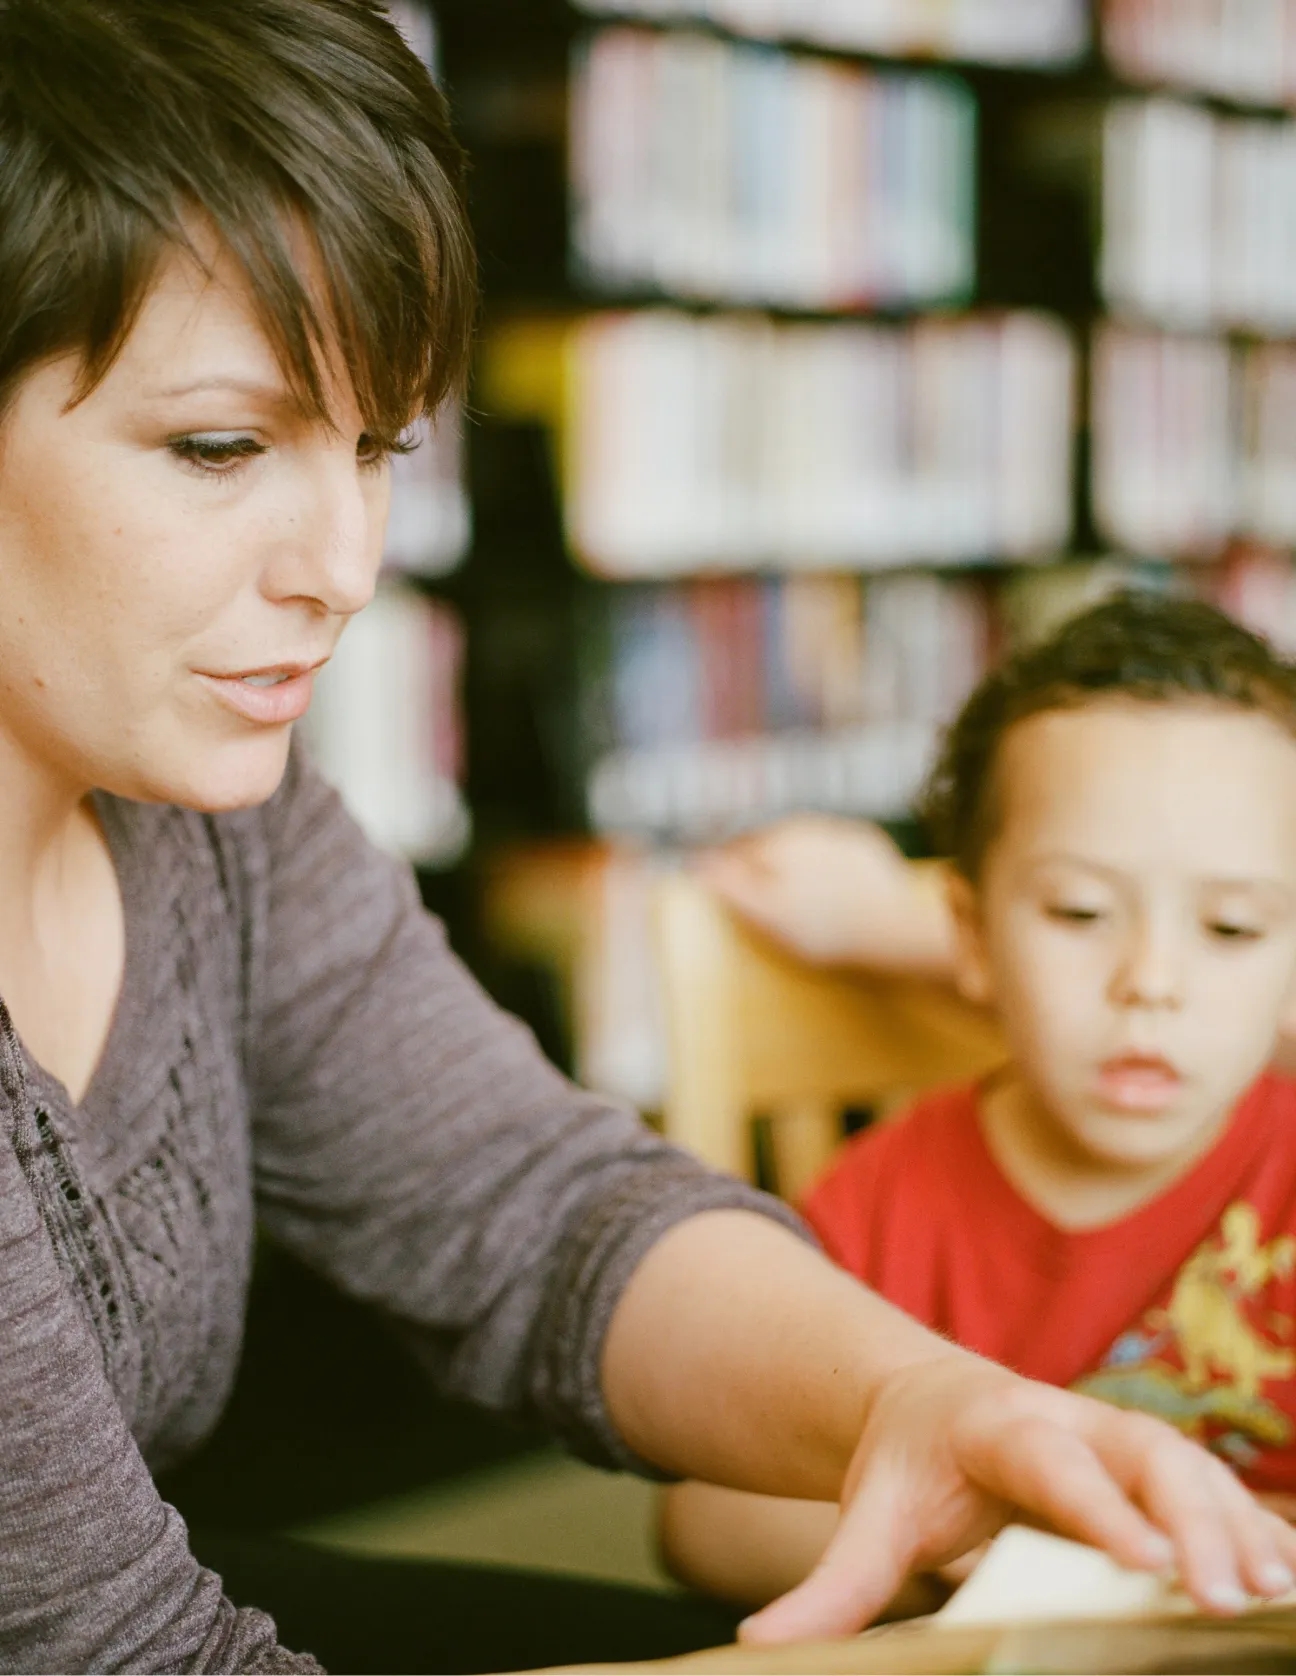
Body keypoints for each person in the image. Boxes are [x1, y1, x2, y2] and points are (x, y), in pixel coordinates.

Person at [0, 5, 1291, 1670]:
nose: (348, 562)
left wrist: (920, 1399)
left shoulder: (215, 826)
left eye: (379, 445)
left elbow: (537, 1213)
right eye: (221, 446)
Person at [663, 594, 1296, 1615]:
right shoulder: (885, 1200)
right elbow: (705, 1518)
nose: (1151, 979)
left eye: (1231, 926)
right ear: (968, 930)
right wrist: (996, 1534)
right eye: (1081, 910)